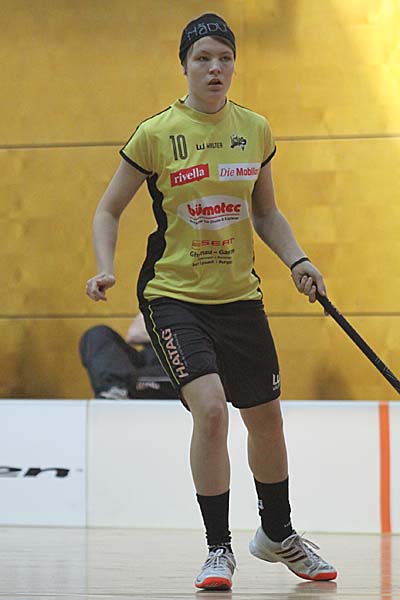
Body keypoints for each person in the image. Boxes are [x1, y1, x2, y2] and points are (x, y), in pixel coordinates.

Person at [86, 13, 337, 590]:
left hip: (239, 295)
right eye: (203, 58)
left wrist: (298, 260)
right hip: (173, 296)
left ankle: (277, 534)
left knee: (266, 418)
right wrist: (105, 267)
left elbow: (266, 213)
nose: (215, 68)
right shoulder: (155, 134)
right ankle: (218, 548)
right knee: (213, 409)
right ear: (184, 65)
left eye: (225, 58)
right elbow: (108, 209)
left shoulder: (256, 130)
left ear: (234, 65)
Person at [79, 313, 178, 399]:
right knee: (97, 334)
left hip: (175, 367)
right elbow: (134, 333)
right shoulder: (160, 300)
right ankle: (115, 390)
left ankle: (121, 388)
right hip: (144, 364)